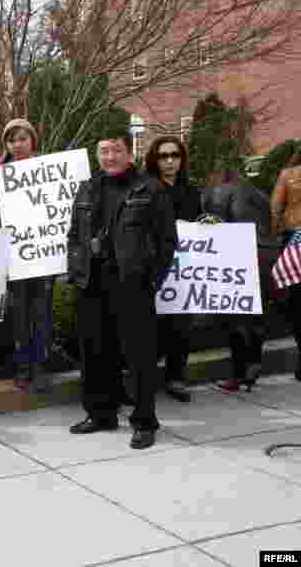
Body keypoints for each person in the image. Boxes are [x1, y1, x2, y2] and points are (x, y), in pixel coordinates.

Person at [66, 129, 177, 450]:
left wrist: (151, 281)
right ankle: (100, 414)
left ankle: (144, 422)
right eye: (104, 150)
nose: (109, 157)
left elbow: (167, 242)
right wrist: (77, 270)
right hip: (92, 283)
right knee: (94, 354)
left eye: (116, 150)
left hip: (132, 285)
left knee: (139, 356)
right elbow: (74, 235)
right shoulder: (87, 188)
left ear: (129, 153)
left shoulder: (150, 189)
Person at [0, 119, 56, 391]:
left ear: (32, 140)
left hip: (43, 253)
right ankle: (23, 366)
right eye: (11, 140)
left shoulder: (49, 170)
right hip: (14, 254)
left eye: (22, 138)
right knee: (19, 312)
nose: (17, 144)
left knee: (42, 311)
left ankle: (40, 365)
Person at [204, 168, 279, 392]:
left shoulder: (219, 192)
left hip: (239, 254)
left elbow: (216, 225)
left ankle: (238, 374)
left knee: (235, 317)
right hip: (267, 255)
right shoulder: (260, 194)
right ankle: (253, 364)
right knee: (256, 314)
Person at [143, 135, 201, 403]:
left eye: (174, 155)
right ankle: (144, 378)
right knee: (151, 326)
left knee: (181, 326)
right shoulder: (144, 188)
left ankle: (176, 377)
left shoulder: (191, 191)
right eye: (163, 156)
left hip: (183, 269)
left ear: (182, 159)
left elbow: (197, 223)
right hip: (152, 267)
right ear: (154, 160)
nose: (169, 161)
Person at [271, 147, 301, 380]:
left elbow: (275, 208)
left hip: (294, 238)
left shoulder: (288, 174)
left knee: (296, 300)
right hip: (294, 238)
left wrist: (275, 233)